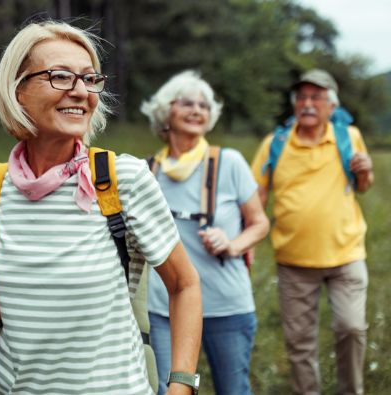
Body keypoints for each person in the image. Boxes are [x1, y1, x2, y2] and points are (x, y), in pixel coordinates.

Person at [0, 21, 202, 395]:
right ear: (18, 90)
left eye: (89, 79)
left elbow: (184, 285)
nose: (80, 92)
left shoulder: (124, 179)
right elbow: (16, 282)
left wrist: (182, 385)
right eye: (60, 76)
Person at [140, 70, 270, 395]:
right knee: (168, 389)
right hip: (163, 307)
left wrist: (232, 243)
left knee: (232, 389)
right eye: (187, 103)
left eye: (204, 105)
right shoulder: (145, 171)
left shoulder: (230, 163)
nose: (197, 110)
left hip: (225, 305)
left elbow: (260, 223)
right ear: (165, 112)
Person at [250, 69, 374, 395]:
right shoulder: (275, 143)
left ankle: (352, 390)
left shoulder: (349, 137)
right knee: (299, 342)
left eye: (316, 98)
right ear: (294, 104)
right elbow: (256, 196)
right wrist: (246, 239)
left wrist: (366, 172)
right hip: (294, 261)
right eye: (302, 97)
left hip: (346, 253)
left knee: (351, 327)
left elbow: (362, 186)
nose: (307, 104)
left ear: (331, 106)